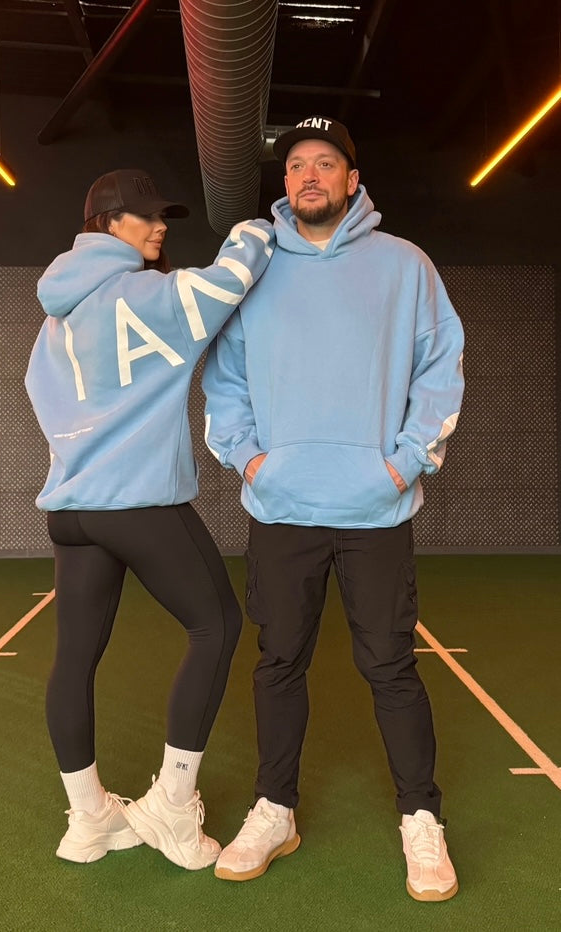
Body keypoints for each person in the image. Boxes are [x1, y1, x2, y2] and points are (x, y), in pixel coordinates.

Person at [202, 117, 464, 901]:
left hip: (373, 511)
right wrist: (250, 459)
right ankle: (273, 808)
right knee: (278, 662)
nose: (307, 176)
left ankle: (420, 818)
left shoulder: (404, 266)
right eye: (294, 167)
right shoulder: (250, 269)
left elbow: (440, 369)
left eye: (324, 164)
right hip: (280, 506)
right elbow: (224, 379)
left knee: (388, 666)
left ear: (352, 179)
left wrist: (403, 464)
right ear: (284, 184)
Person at [25, 168, 274, 871]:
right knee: (217, 625)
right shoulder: (151, 297)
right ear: (107, 224)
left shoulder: (55, 317)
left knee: (74, 660)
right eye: (144, 217)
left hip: (71, 510)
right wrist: (258, 225)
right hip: (135, 503)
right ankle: (169, 807)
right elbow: (229, 281)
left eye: (163, 216)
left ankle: (89, 820)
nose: (160, 226)